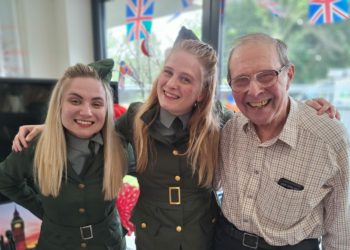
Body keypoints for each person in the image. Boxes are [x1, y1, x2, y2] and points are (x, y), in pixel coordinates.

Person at [10, 35, 339, 250]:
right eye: (168, 72)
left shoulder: (221, 124)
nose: (171, 84)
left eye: (186, 79)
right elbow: (91, 123)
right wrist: (50, 125)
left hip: (205, 240)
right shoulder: (136, 118)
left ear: (201, 91)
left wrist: (304, 109)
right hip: (153, 240)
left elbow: (263, 109)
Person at [215, 33, 350, 250]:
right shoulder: (228, 130)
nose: (255, 90)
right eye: (241, 80)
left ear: (289, 75)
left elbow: (341, 233)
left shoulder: (328, 139)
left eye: (266, 75)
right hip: (225, 241)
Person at [0, 61, 127, 250]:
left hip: (109, 244)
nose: (86, 111)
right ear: (59, 104)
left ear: (107, 109)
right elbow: (5, 180)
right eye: (75, 101)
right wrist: (44, 210)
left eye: (97, 103)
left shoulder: (121, 146)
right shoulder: (34, 146)